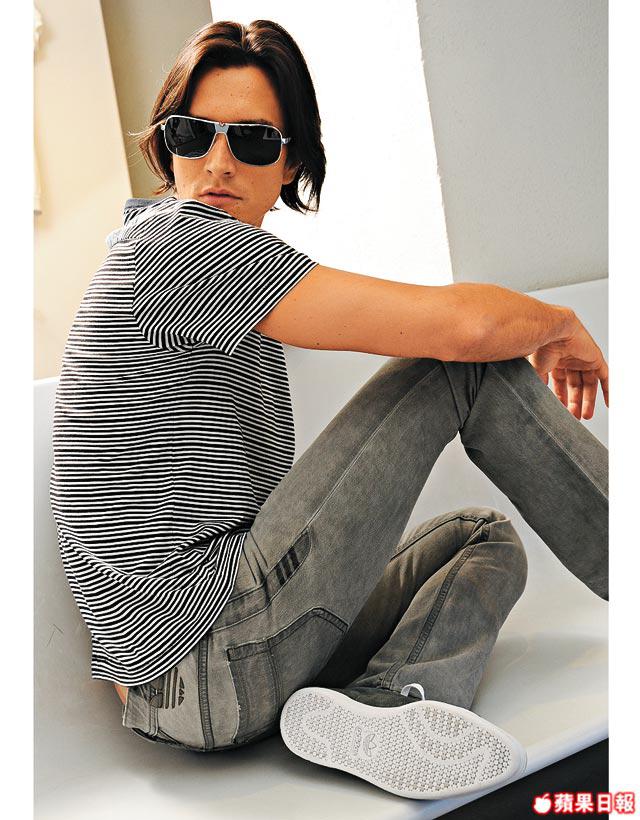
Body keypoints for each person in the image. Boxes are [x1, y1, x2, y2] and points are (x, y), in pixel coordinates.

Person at [50, 20, 608, 800]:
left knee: (481, 540)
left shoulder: (188, 265)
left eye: (251, 141)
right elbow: (465, 330)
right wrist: (559, 323)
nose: (216, 163)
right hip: (207, 658)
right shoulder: (178, 246)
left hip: (197, 679)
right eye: (192, 134)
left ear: (290, 162)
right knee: (466, 370)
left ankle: (390, 700)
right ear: (164, 146)